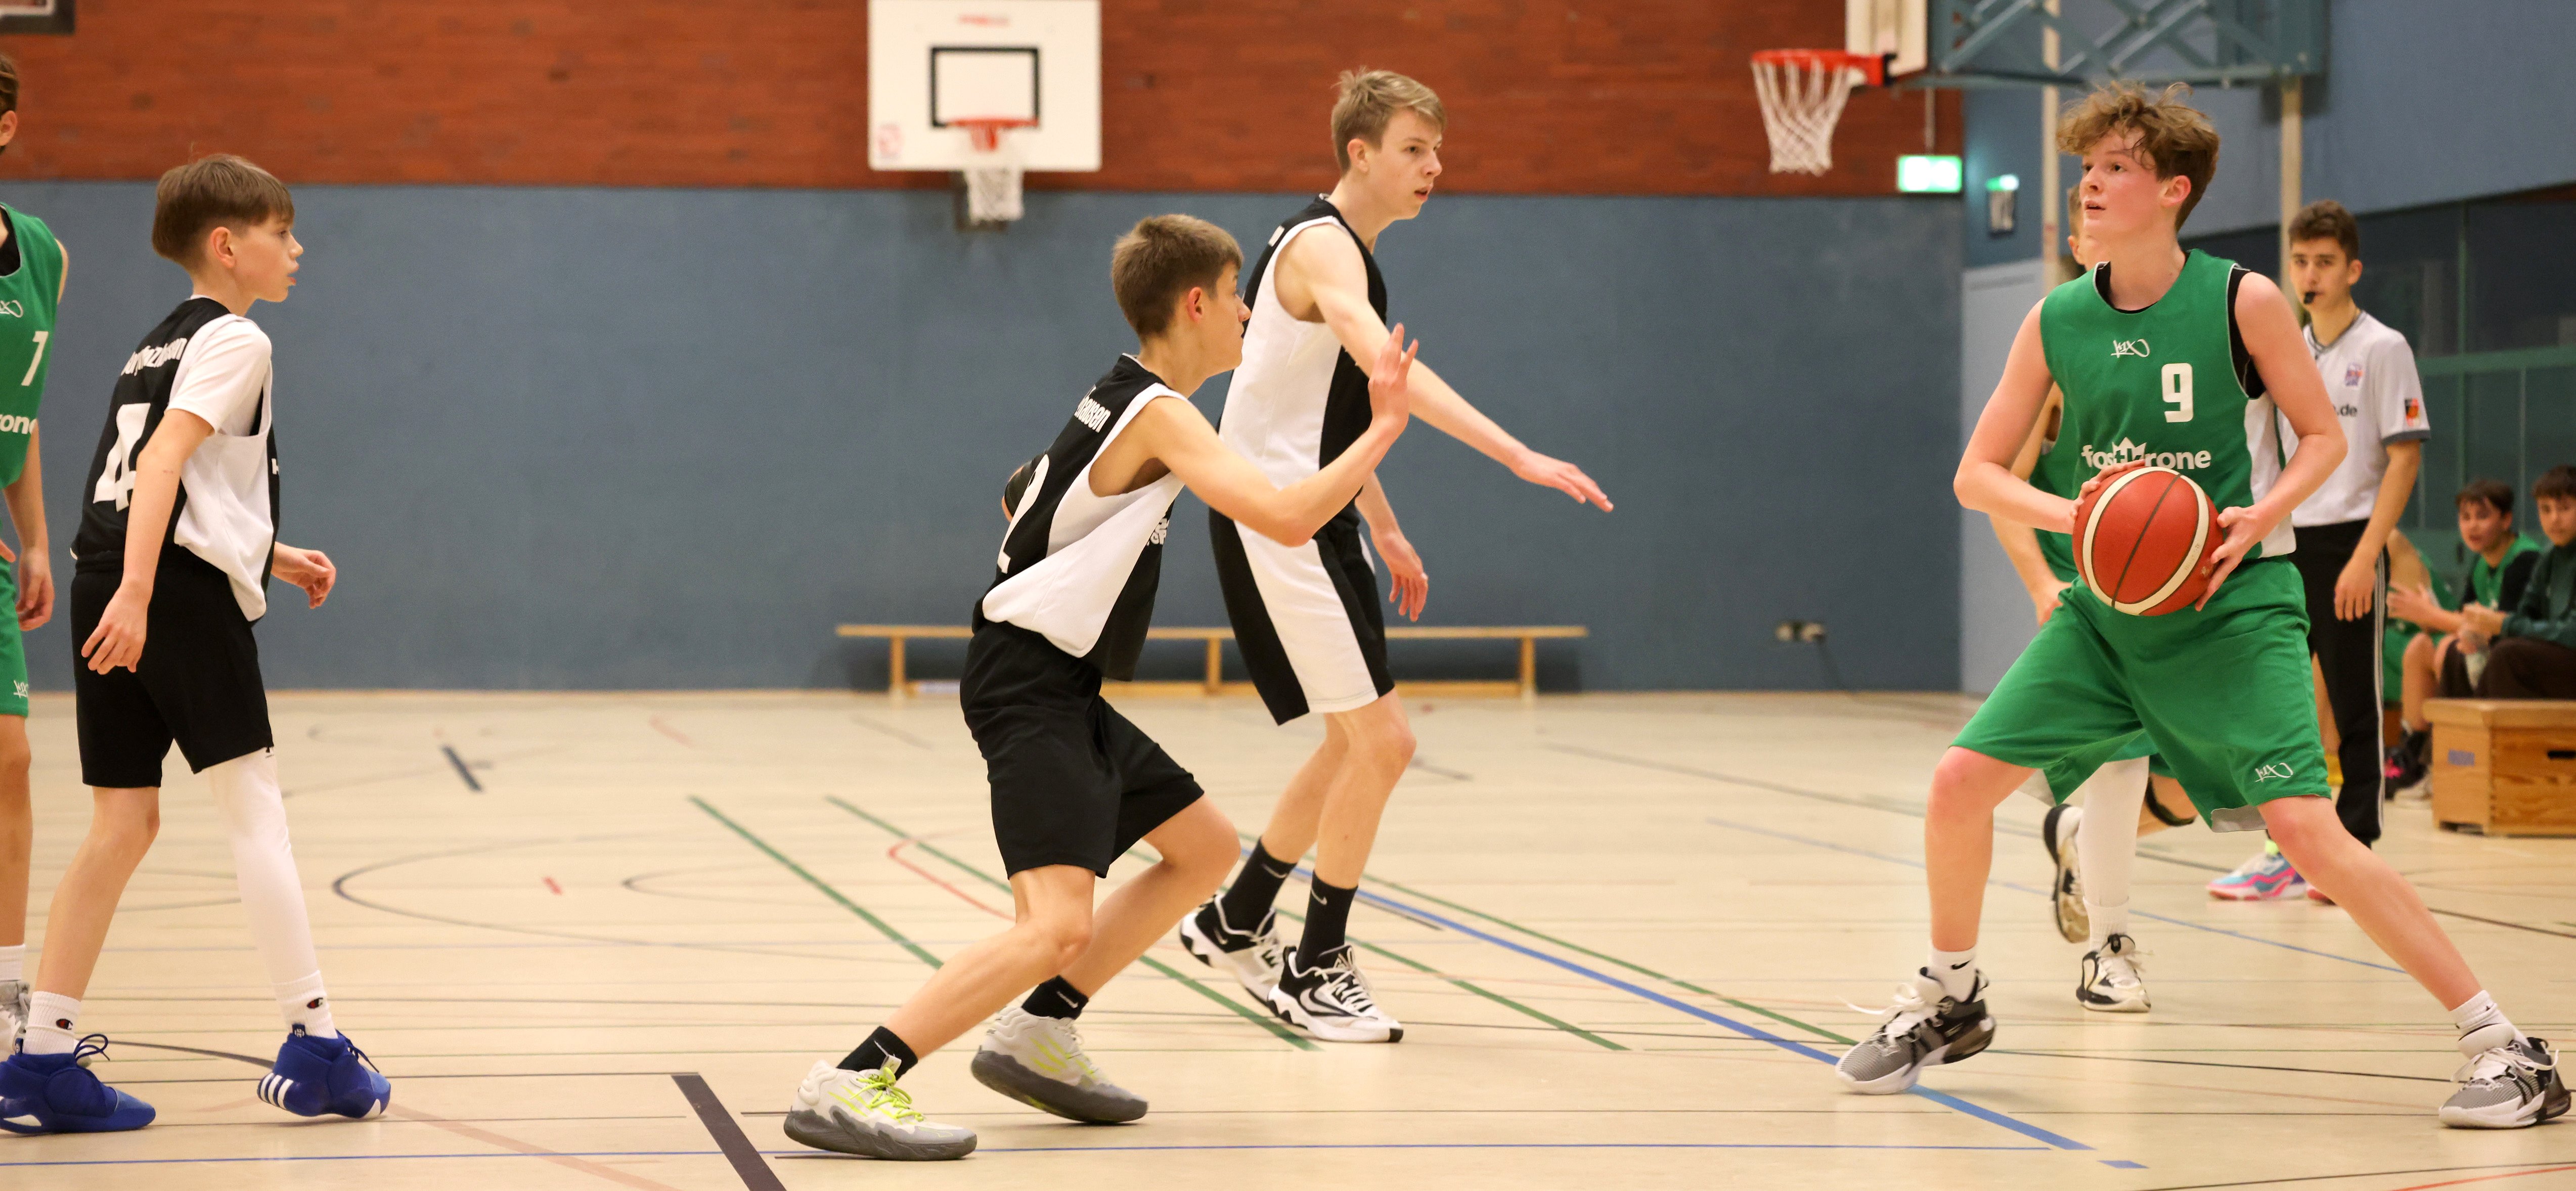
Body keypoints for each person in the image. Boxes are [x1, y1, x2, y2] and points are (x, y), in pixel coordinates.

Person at [1835, 82, 2564, 1130]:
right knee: (1958, 784)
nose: (2089, 184)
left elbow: (2323, 436)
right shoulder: (2055, 318)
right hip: (2108, 610)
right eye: (2085, 167)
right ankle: (1952, 995)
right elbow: (1975, 474)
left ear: (2173, 190)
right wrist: (2078, 516)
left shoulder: (2243, 301)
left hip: (2233, 605)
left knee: (2305, 828)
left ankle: (2508, 1048)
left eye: (2115, 167)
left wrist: (2258, 512)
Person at [781, 214, 1419, 1160]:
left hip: (1061, 682)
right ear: (1195, 304)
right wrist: (1384, 429)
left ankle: (1039, 1031)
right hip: (1027, 684)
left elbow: (1019, 491)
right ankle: (851, 1078)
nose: (1248, 313)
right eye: (1236, 295)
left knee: (1204, 849)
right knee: (1054, 928)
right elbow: (1286, 519)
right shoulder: (1161, 414)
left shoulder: (1115, 396)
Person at [1181, 69, 1610, 1044]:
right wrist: (1516, 454)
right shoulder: (1322, 248)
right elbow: (1388, 376)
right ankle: (1314, 966)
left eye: (1437, 151)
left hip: (1315, 508)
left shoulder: (1343, 250)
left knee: (1352, 743)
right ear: (1359, 152)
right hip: (1281, 516)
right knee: (1384, 743)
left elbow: (1323, 406)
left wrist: (1383, 522)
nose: (1433, 167)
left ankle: (1235, 917)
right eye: (1414, 149)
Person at [0, 154, 387, 1134]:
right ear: (227, 245)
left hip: (104, 574)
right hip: (157, 590)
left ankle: (39, 1058)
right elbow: (166, 459)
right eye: (280, 232)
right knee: (255, 809)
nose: (296, 249)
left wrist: (267, 551)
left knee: (122, 823)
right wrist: (145, 591)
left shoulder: (155, 343)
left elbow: (163, 481)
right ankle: (316, 1044)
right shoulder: (237, 338)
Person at [1995, 186, 2198, 1013]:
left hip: (2174, 592)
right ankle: (2107, 953)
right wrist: (2041, 582)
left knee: (2187, 794)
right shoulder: (2055, 353)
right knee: (2119, 760)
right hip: (2087, 593)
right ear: (2078, 251)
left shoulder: (2180, 340)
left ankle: (2070, 832)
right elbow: (2000, 489)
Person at [2204, 199, 2428, 900]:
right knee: (2280, 703)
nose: (2309, 275)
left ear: (2352, 269)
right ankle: (2283, 847)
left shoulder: (2383, 348)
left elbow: (2404, 460)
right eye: (2300, 261)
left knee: (2356, 702)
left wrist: (2366, 556)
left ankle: (2353, 847)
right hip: (2286, 538)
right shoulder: (2285, 347)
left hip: (2351, 540)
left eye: (2324, 262)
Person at [0, 52, 65, 1048]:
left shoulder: (43, 252)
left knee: (11, 759)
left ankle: (10, 997)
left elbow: (25, 408)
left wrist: (38, 537)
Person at [2387, 479, 2541, 787]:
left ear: (2506, 520)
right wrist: (2430, 618)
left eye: (2482, 516)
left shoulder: (2524, 560)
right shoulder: (2482, 564)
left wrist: (2429, 614)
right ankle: (2414, 758)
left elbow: (2501, 629)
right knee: (2420, 646)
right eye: (2465, 517)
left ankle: (2450, 758)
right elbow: (2466, 620)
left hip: (2518, 666)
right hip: (2486, 656)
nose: (2472, 526)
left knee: (2447, 648)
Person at [2449, 467, 2576, 700]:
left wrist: (2504, 625)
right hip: (2559, 656)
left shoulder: (2527, 557)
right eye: (2546, 510)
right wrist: (2482, 634)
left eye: (2564, 508)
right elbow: (2525, 614)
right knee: (2457, 652)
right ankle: (2449, 726)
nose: (2554, 519)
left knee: (2509, 655)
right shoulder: (2550, 557)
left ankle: (2492, 723)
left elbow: (2571, 633)